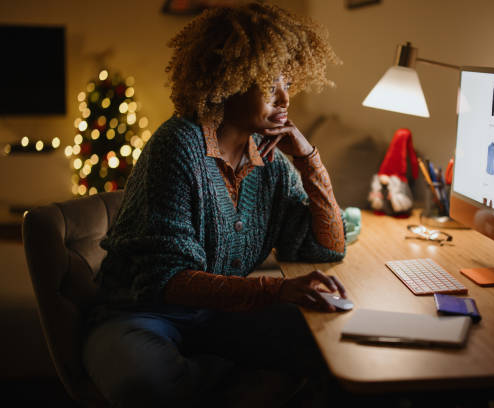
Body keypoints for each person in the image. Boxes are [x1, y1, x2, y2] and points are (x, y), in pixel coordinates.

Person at [82, 3, 347, 407]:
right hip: (144, 314)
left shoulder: (271, 158)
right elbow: (168, 280)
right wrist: (277, 291)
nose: (283, 98)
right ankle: (226, 373)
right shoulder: (179, 144)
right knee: (144, 384)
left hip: (221, 316)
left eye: (288, 83)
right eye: (267, 83)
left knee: (334, 349)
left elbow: (326, 247)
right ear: (228, 81)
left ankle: (219, 370)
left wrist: (308, 157)